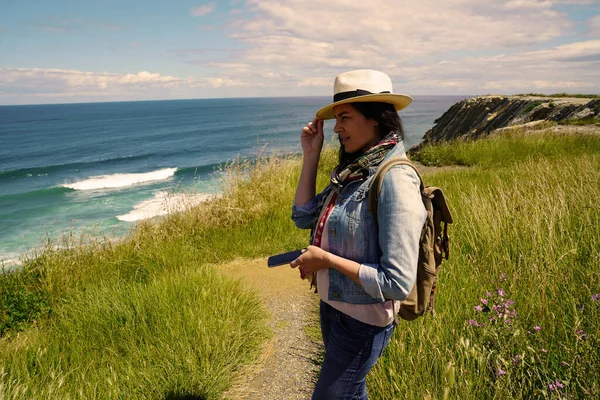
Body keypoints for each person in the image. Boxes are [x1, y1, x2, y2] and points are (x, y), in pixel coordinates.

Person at [289, 69, 427, 399]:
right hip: (334, 310)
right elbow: (303, 216)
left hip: (363, 324)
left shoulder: (395, 180)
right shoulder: (355, 170)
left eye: (345, 118)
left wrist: (326, 260)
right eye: (336, 119)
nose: (336, 128)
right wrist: (311, 155)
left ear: (376, 119)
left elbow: (395, 283)